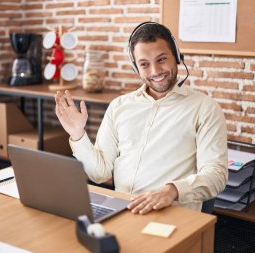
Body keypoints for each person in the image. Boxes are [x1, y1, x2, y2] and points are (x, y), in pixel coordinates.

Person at [54, 22, 228, 215]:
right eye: (144, 64)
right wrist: (78, 134)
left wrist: (173, 190)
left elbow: (216, 175)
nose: (155, 71)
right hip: (120, 211)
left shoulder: (205, 108)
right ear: (136, 67)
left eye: (161, 59)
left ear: (177, 57)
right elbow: (99, 173)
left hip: (171, 214)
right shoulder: (119, 106)